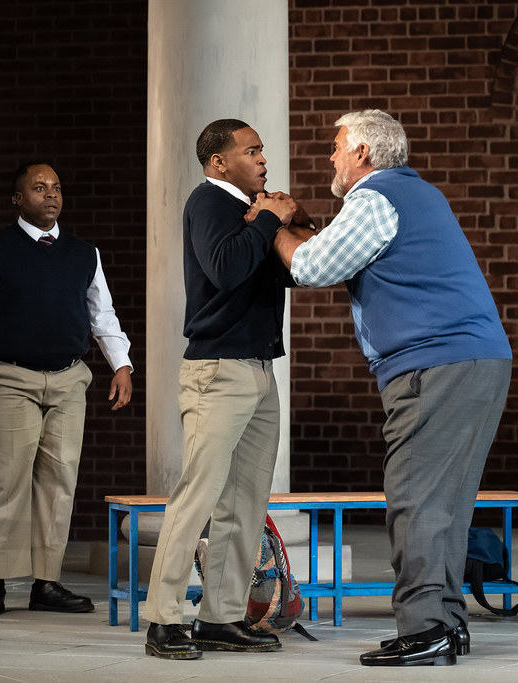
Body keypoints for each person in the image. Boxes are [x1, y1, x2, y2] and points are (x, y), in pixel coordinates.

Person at [273, 109, 512, 667]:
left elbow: (311, 265)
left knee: (416, 501)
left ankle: (426, 629)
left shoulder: (374, 197)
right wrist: (304, 223)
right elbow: (341, 250)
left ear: (362, 153)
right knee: (445, 505)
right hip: (475, 361)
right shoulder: (416, 193)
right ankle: (446, 628)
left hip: (437, 368)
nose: (330, 156)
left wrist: (274, 224)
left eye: (336, 147)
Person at [0, 162, 133, 617]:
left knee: (59, 481)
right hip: (12, 378)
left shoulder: (84, 253)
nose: (50, 195)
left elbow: (101, 315)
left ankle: (47, 583)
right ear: (18, 199)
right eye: (39, 188)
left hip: (69, 378)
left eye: (56, 188)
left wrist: (122, 365)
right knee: (8, 479)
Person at [142, 119, 299, 660]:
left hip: (259, 370)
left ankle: (221, 617)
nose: (262, 159)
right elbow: (226, 269)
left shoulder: (251, 213)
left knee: (246, 502)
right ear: (219, 162)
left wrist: (283, 222)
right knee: (198, 497)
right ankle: (163, 619)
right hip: (218, 370)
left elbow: (290, 274)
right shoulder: (209, 201)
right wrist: (263, 222)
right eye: (251, 151)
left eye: (262, 150)